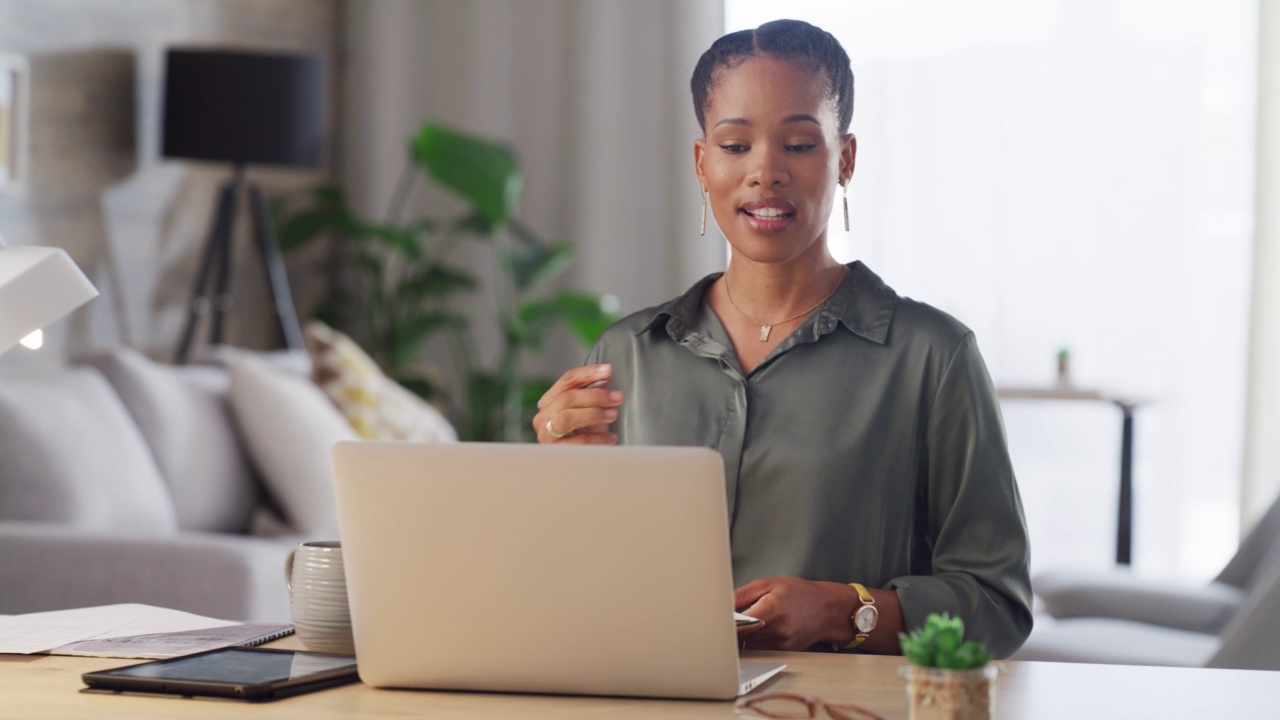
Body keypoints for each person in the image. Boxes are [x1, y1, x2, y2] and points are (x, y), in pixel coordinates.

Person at [532, 19, 1032, 657]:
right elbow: (576, 586)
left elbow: (999, 606)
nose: (764, 172)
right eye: (735, 145)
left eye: (798, 144)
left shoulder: (933, 358)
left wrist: (847, 611)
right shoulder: (625, 356)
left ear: (844, 158)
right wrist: (551, 484)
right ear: (701, 162)